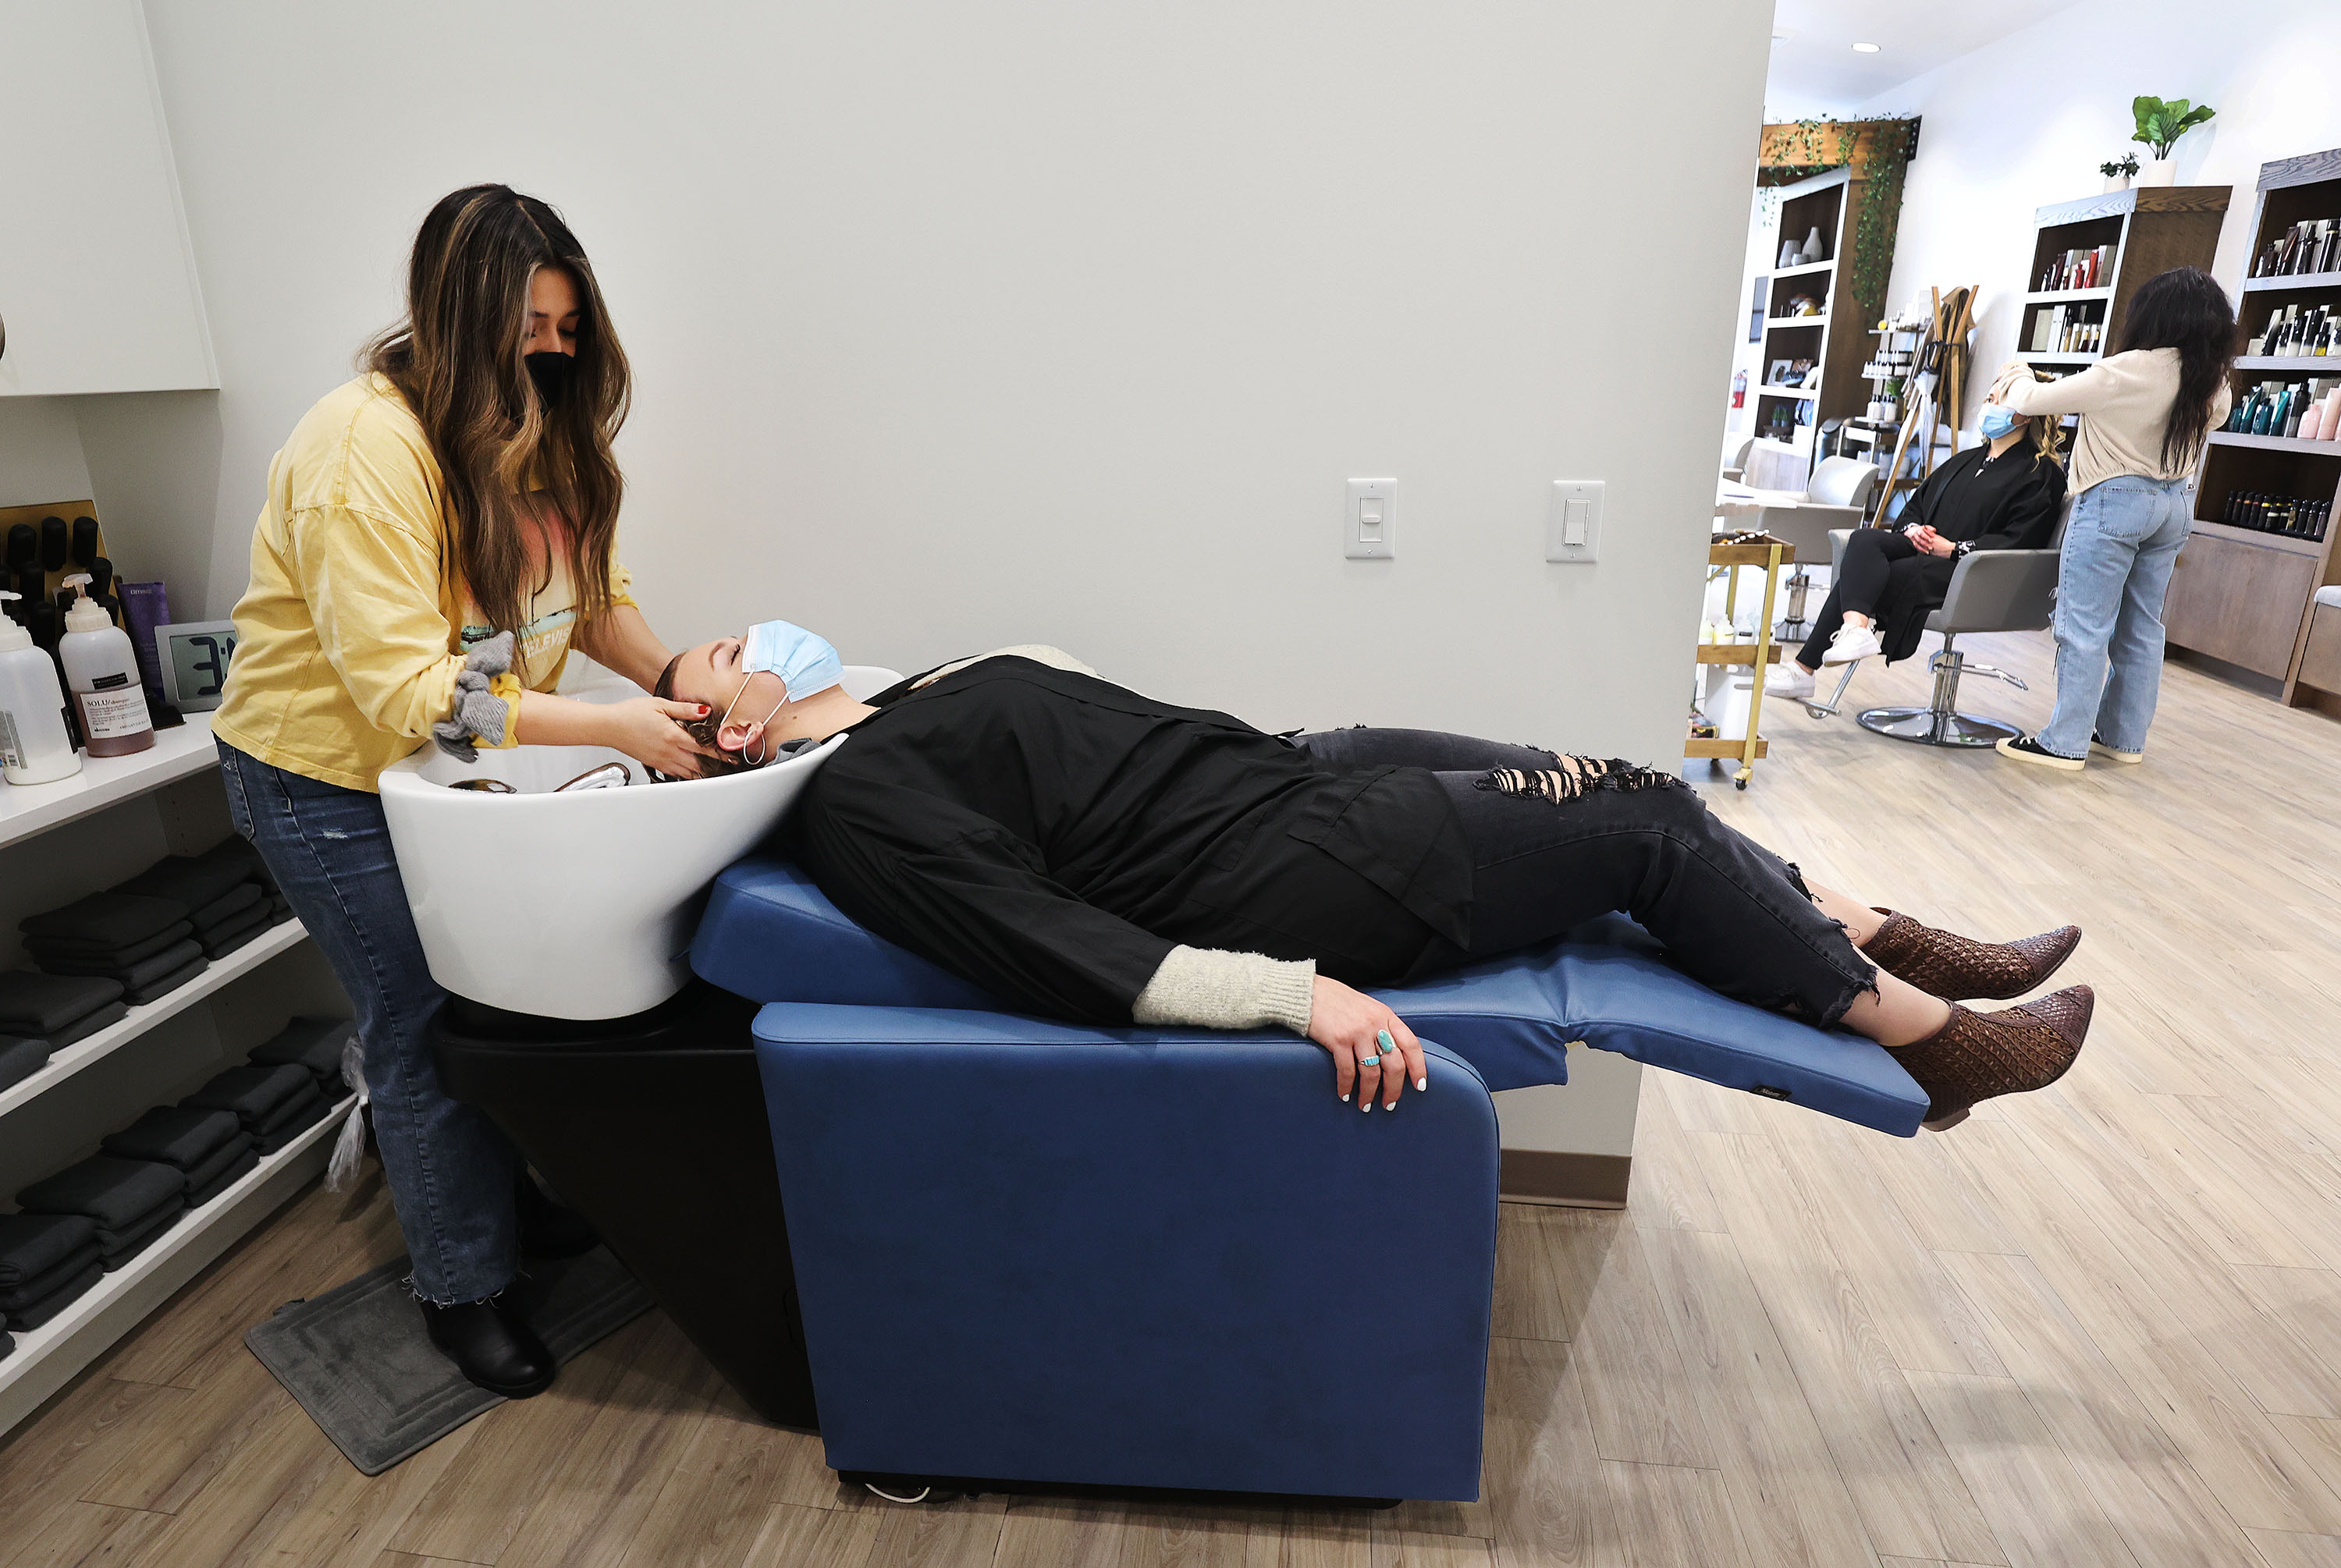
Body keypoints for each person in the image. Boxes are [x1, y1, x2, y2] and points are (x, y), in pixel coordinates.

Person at [655, 629, 2094, 1132]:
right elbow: (1048, 942)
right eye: (712, 657)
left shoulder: (892, 701)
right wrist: (1300, 996)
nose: (741, 637)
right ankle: (1939, 1041)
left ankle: (1880, 929)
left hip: (1286, 774)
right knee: (1647, 819)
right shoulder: (861, 806)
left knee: (1590, 774)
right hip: (1279, 871)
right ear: (717, 727)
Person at [211, 185, 721, 1399]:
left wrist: (680, 680)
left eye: (567, 327)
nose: (552, 350)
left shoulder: (533, 431)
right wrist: (613, 727)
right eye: (529, 325)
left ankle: (507, 1210)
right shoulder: (363, 449)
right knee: (427, 1027)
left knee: (497, 1004)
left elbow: (581, 589)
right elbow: (405, 688)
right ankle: (462, 1284)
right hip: (323, 778)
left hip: (445, 771)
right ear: (458, 312)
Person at [1987, 266, 2235, 769]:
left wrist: (2016, 373)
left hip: (2114, 502)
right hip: (2173, 506)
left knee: (2083, 626)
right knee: (2143, 627)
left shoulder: (2125, 370)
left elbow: (2031, 402)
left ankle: (2065, 742)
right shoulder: (2214, 382)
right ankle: (2122, 739)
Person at [1765, 409, 2066, 701]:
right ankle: (1855, 630)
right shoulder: (1965, 461)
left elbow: (2022, 539)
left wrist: (1954, 549)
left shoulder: (2041, 475)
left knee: (1874, 576)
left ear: (2025, 414)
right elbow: (1916, 505)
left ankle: (1805, 668)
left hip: (1976, 573)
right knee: (1864, 541)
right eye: (1989, 397)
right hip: (1927, 552)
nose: (1989, 406)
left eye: (2000, 399)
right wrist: (1912, 529)